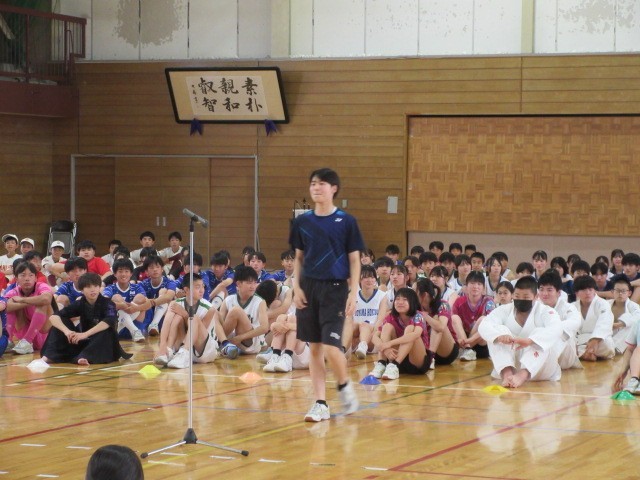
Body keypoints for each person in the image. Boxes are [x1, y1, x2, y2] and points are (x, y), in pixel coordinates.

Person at [290, 167, 363, 422]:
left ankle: (344, 385)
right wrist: (296, 287)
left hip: (335, 289)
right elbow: (298, 258)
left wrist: (353, 291)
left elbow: (355, 260)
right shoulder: (302, 222)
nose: (316, 187)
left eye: (321, 183)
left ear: (334, 189)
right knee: (314, 348)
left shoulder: (346, 222)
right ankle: (320, 403)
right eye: (313, 183)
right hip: (308, 287)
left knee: (332, 347)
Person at [478, 276, 563, 388]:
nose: (521, 299)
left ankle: (523, 374)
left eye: (526, 297)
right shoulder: (505, 309)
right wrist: (499, 336)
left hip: (541, 368)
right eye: (517, 296)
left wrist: (530, 341)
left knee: (540, 335)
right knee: (498, 331)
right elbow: (484, 325)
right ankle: (507, 373)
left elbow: (556, 329)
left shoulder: (546, 311)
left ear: (536, 297)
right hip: (513, 363)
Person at [41, 273, 132, 365]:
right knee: (62, 321)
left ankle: (84, 357)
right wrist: (67, 332)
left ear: (99, 287)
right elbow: (54, 317)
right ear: (82, 290)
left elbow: (109, 321)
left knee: (106, 331)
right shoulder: (80, 303)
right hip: (86, 341)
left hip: (105, 343)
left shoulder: (108, 303)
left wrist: (85, 334)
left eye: (95, 286)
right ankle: (49, 356)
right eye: (88, 287)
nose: (93, 290)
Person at [156, 273, 237, 368]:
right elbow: (166, 324)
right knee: (177, 318)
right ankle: (169, 351)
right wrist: (162, 345)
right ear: (186, 290)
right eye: (197, 287)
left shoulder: (209, 308)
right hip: (186, 346)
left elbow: (197, 332)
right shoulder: (175, 303)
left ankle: (184, 353)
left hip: (205, 350)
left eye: (202, 286)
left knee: (194, 318)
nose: (202, 290)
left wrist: (185, 314)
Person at [369, 287, 433, 380]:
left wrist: (389, 343)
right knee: (387, 327)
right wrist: (385, 349)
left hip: (417, 362)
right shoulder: (390, 316)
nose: (400, 302)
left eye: (405, 299)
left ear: (412, 302)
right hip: (396, 359)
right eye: (397, 299)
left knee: (410, 329)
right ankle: (382, 364)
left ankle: (395, 364)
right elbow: (374, 337)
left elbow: (415, 334)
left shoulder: (418, 315)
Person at [1, 262, 53, 354]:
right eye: (23, 275)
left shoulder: (41, 286)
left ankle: (27, 341)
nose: (27, 278)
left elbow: (46, 299)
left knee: (42, 303)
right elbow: (5, 306)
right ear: (16, 279)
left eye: (31, 275)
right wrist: (28, 302)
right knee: (10, 305)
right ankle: (9, 340)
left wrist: (22, 300)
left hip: (45, 332)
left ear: (36, 278)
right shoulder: (14, 291)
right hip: (23, 332)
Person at [537, 270, 582, 370]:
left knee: (562, 335)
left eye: (549, 290)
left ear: (559, 293)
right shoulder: (535, 308)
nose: (544, 293)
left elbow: (575, 322)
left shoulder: (568, 308)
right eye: (541, 289)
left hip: (565, 357)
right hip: (542, 352)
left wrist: (550, 330)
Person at [219, 265, 269, 354]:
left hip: (250, 342)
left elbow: (264, 328)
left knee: (236, 311)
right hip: (232, 340)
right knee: (214, 313)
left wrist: (240, 337)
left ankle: (221, 344)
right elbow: (220, 324)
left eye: (255, 282)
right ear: (238, 284)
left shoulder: (260, 301)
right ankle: (224, 345)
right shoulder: (228, 300)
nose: (253, 286)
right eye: (249, 283)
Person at [451, 271, 495, 361]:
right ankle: (467, 350)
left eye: (479, 284)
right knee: (454, 318)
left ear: (483, 288)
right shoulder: (459, 301)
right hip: (463, 339)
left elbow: (492, 326)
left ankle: (467, 349)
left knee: (484, 320)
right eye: (472, 283)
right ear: (466, 287)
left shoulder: (488, 301)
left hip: (480, 343)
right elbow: (453, 325)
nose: (475, 286)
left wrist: (469, 342)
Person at [415, 278, 458, 366]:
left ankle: (431, 357)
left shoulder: (442, 304)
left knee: (436, 321)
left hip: (447, 351)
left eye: (414, 292)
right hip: (425, 349)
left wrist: (425, 316)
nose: (412, 295)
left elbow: (441, 327)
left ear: (424, 295)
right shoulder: (416, 307)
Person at [102, 259, 147, 342]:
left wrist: (133, 306)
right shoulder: (110, 288)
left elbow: (147, 302)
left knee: (141, 298)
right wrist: (123, 306)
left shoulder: (137, 287)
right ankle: (134, 330)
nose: (123, 274)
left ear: (131, 273)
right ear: (115, 274)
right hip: (117, 323)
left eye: (126, 271)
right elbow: (105, 302)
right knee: (116, 297)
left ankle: (134, 330)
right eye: (120, 271)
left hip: (135, 321)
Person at [573, 275, 615, 361]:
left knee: (607, 344)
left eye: (590, 289)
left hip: (599, 339)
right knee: (566, 344)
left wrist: (595, 340)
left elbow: (605, 322)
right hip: (580, 340)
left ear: (594, 290)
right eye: (584, 290)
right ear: (577, 293)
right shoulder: (572, 307)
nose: (588, 292)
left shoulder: (603, 304)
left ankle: (583, 353)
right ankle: (586, 353)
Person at [348, 265, 386, 359]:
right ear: (359, 279)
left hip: (373, 335)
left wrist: (372, 336)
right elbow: (348, 318)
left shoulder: (382, 295)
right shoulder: (352, 296)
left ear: (375, 279)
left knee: (364, 325)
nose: (369, 280)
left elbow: (380, 320)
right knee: (353, 325)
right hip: (355, 336)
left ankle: (363, 345)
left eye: (372, 277)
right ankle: (342, 348)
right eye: (365, 277)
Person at [139, 256, 177, 335]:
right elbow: (142, 300)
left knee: (164, 293)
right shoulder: (143, 284)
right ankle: (150, 326)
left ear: (162, 269)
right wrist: (154, 302)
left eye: (157, 267)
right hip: (148, 313)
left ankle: (154, 324)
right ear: (146, 271)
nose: (155, 269)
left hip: (164, 315)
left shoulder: (170, 282)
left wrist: (152, 302)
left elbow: (169, 297)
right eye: (151, 267)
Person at [607, 277, 640, 355]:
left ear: (629, 293)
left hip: (622, 341)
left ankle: (614, 348)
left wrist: (620, 324)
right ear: (612, 292)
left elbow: (638, 318)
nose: (620, 294)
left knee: (632, 324)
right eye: (617, 291)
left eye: (623, 291)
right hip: (607, 335)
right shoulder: (605, 304)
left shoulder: (633, 306)